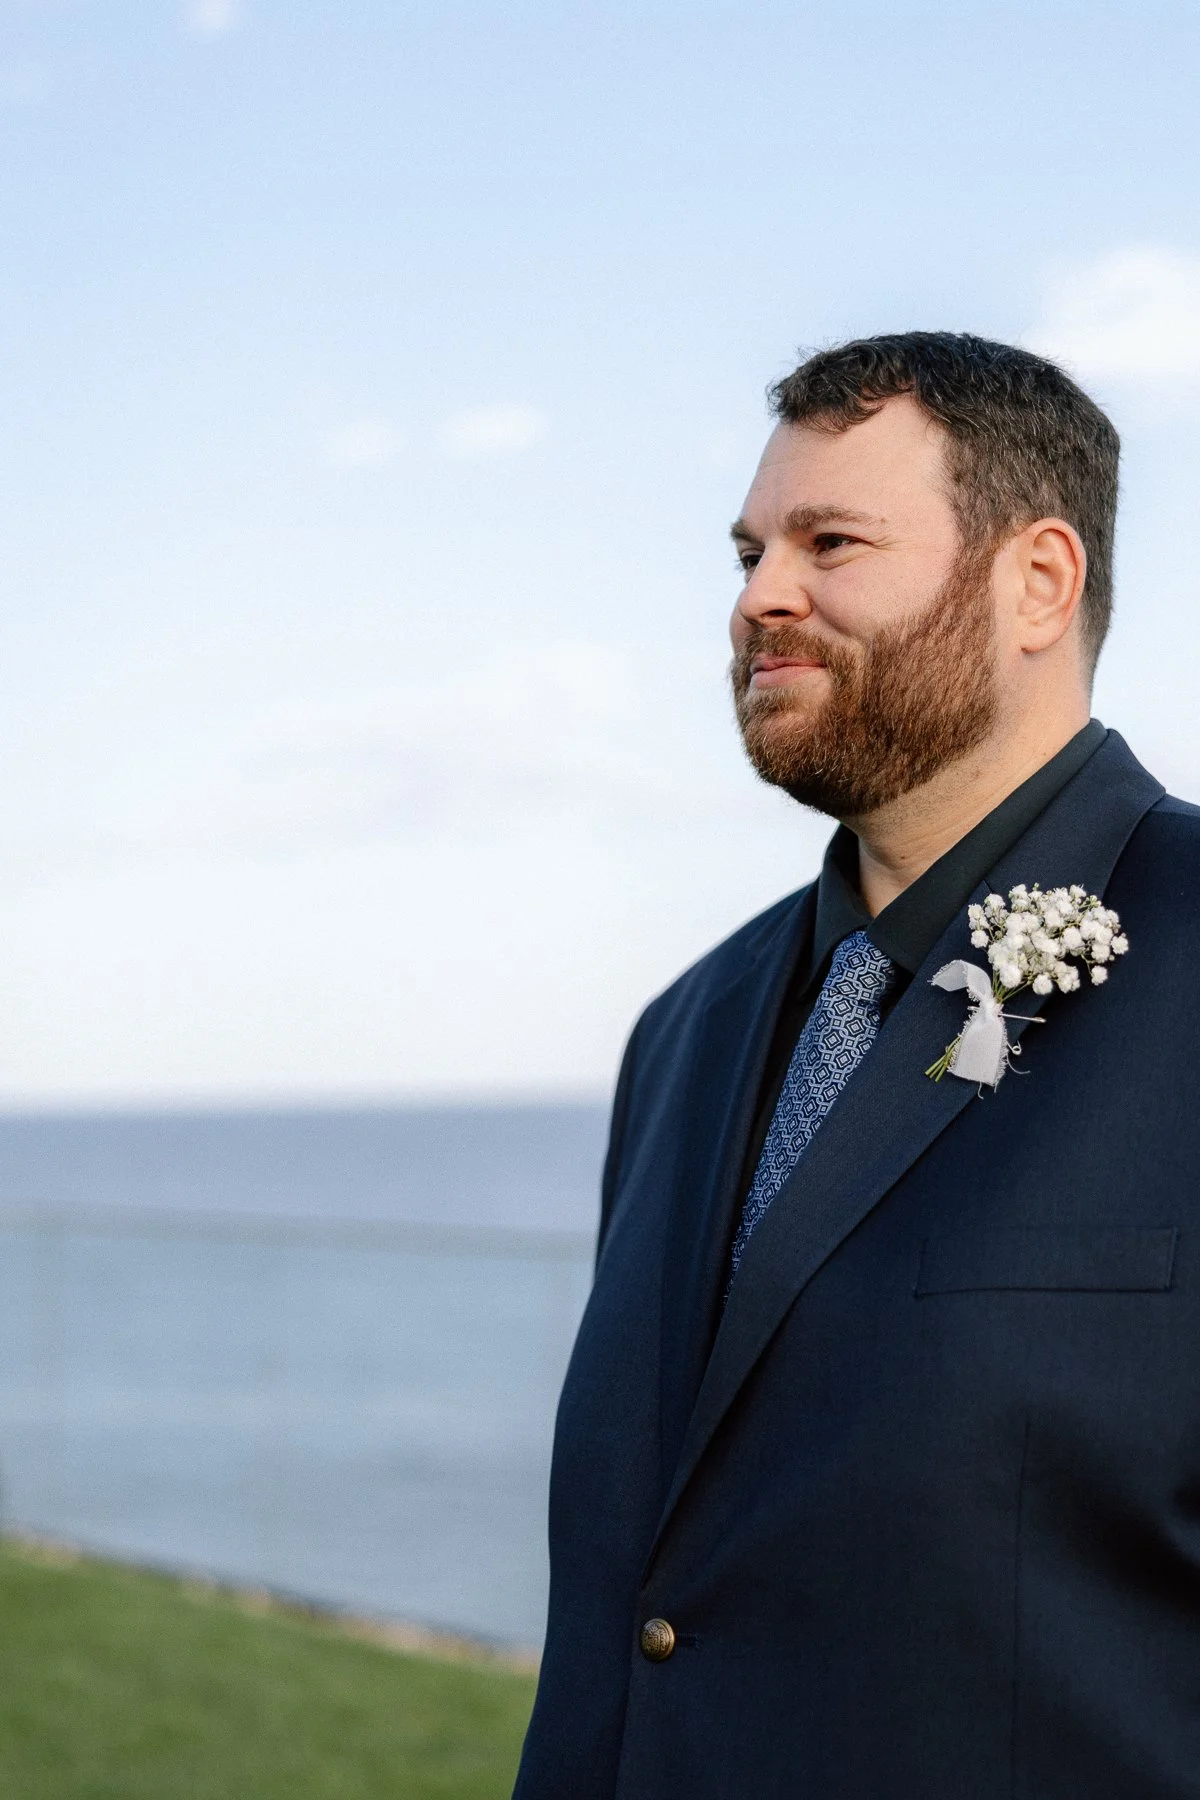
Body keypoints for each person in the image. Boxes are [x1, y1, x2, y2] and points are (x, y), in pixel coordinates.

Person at [512, 332, 1200, 1800]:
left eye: (831, 540)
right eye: (754, 547)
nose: (763, 593)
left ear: (1039, 582)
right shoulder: (685, 1033)